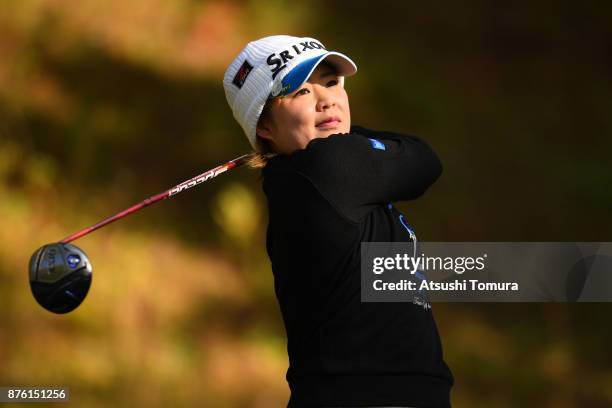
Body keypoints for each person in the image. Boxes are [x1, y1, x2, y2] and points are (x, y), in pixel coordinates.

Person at [223, 35, 453, 408]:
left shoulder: (299, 180)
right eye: (299, 92)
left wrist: (347, 138)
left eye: (331, 83)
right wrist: (353, 139)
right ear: (264, 127)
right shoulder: (328, 171)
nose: (326, 99)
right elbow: (425, 161)